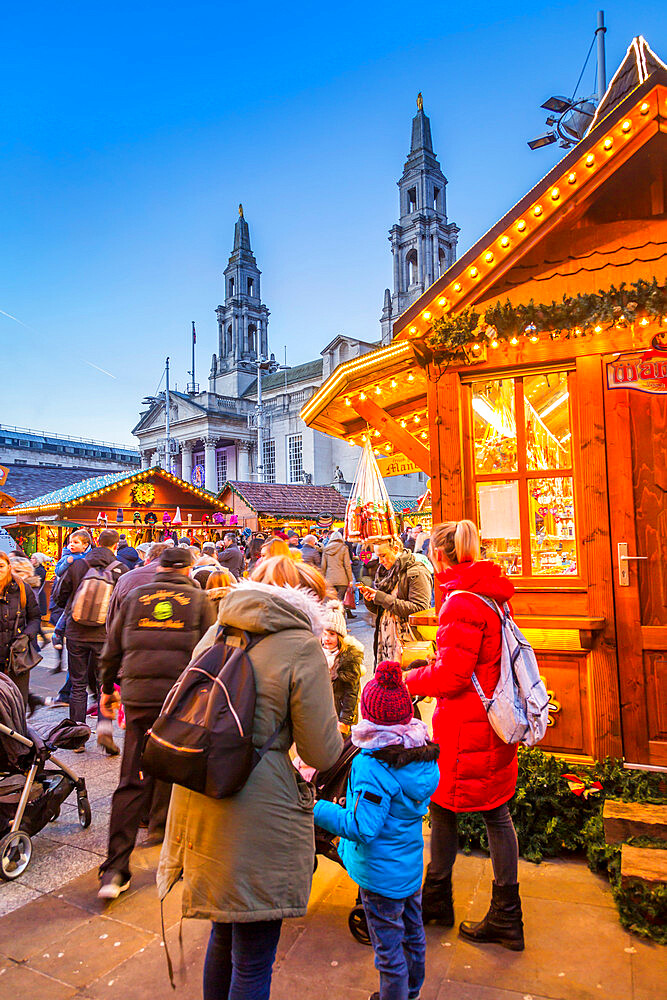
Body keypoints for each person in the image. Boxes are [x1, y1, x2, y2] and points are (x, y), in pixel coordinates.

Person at [157, 555, 343, 1000]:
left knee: (224, 934)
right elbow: (322, 750)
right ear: (306, 599)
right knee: (255, 956)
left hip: (201, 793)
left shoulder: (218, 629)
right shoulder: (301, 645)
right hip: (259, 810)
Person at [404, 520, 523, 951]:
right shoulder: (489, 591)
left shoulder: (460, 602)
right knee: (480, 809)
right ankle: (479, 906)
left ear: (438, 555)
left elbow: (453, 676)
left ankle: (454, 904)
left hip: (467, 727)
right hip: (490, 723)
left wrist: (409, 679)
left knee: (456, 808)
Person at [314, 660, 440, 1000]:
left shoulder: (372, 764)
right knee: (413, 936)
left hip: (380, 876)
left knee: (388, 951)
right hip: (409, 868)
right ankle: (411, 992)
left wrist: (317, 808)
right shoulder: (421, 754)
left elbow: (362, 827)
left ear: (367, 714)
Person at [97, 546, 216, 899]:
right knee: (178, 769)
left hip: (139, 698)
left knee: (130, 778)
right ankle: (174, 851)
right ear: (189, 570)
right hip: (179, 702)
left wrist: (107, 687)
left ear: (159, 566)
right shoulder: (198, 600)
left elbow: (111, 648)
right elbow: (209, 653)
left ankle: (116, 870)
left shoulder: (135, 597)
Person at [56, 528, 127, 728]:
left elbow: (59, 596)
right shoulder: (121, 569)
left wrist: (71, 609)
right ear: (115, 545)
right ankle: (104, 729)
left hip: (76, 632)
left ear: (95, 541)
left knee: (78, 684)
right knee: (103, 683)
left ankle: (77, 733)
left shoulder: (78, 564)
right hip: (104, 635)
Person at [359, 538, 431, 667]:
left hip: (407, 642)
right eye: (378, 556)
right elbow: (382, 609)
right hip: (386, 640)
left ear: (396, 549)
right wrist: (371, 598)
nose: (380, 561)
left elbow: (420, 609)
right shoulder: (385, 572)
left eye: (383, 555)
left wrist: (381, 597)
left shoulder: (416, 572)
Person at [0, 551, 42, 709]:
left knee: (17, 704)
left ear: (9, 567)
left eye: (1, 566)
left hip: (17, 657)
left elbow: (35, 617)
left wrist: (26, 636)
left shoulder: (22, 588)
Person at [320, 600, 364, 735]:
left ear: (340, 636)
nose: (327, 638)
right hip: (321, 715)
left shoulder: (348, 659)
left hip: (341, 715)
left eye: (332, 634)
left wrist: (345, 720)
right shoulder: (316, 654)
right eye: (324, 633)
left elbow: (351, 693)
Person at [106, 541, 169, 627]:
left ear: (146, 561)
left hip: (133, 636)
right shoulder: (185, 580)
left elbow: (113, 616)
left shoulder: (126, 578)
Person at [320, 529, 354, 609]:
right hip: (342, 579)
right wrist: (350, 579)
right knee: (340, 600)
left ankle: (332, 617)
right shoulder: (344, 548)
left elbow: (323, 566)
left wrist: (323, 578)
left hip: (329, 579)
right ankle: (340, 617)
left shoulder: (326, 549)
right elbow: (347, 565)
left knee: (331, 600)